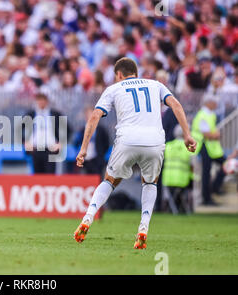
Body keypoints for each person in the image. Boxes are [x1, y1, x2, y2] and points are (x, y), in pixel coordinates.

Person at [73, 57, 196, 249]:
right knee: (150, 182)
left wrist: (83, 149)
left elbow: (95, 115)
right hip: (155, 141)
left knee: (110, 180)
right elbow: (176, 105)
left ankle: (88, 218)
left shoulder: (114, 88)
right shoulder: (156, 85)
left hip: (127, 140)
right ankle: (143, 230)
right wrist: (187, 135)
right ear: (136, 73)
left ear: (119, 75)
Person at [191, 95, 226, 206]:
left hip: (210, 147)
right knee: (206, 173)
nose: (216, 104)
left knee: (225, 165)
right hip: (204, 146)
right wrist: (215, 135)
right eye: (214, 102)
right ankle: (207, 197)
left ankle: (214, 188)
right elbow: (206, 133)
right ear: (209, 103)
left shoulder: (209, 114)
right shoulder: (203, 115)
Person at [23, 93, 69, 174]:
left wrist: (61, 142)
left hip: (50, 149)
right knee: (37, 176)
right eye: (39, 100)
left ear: (47, 101)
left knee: (50, 176)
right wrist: (25, 142)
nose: (41, 102)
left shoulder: (55, 114)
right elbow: (18, 129)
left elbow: (68, 129)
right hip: (35, 149)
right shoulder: (31, 114)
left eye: (43, 100)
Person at [161, 125, 194, 214]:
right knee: (185, 190)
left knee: (172, 193)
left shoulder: (168, 146)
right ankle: (186, 209)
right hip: (182, 180)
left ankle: (170, 208)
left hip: (168, 179)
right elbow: (192, 165)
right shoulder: (188, 147)